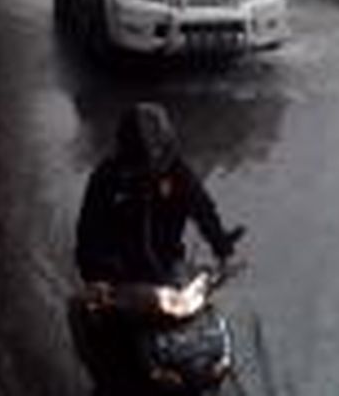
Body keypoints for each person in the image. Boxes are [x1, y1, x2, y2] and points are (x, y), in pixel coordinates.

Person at [75, 102, 244, 285]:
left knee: (199, 299)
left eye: (158, 152)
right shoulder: (108, 176)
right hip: (117, 272)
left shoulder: (177, 172)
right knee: (84, 306)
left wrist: (222, 247)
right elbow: (88, 229)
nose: (153, 163)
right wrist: (95, 274)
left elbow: (203, 208)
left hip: (169, 266)